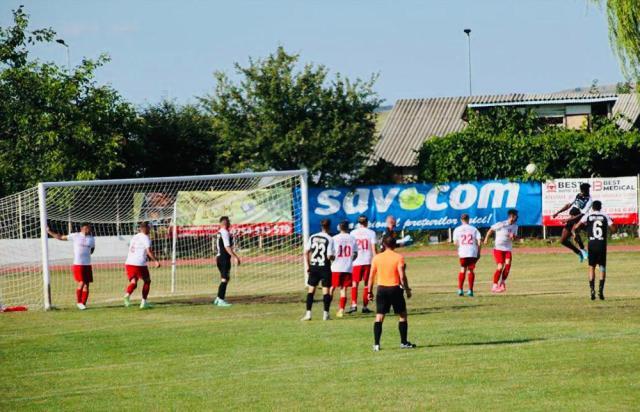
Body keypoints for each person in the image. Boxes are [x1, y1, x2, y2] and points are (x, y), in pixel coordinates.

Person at [367, 235, 415, 351]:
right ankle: (403, 342)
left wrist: (369, 291)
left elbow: (371, 277)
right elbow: (402, 276)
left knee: (379, 316)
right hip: (395, 288)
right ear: (395, 245)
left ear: (383, 244)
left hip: (381, 289)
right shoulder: (398, 257)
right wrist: (407, 289)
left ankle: (377, 344)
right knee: (402, 315)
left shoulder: (377, 258)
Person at [573, 201, 616, 300]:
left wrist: (576, 235)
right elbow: (614, 229)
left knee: (591, 267)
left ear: (592, 207)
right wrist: (610, 227)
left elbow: (576, 226)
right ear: (600, 207)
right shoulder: (605, 215)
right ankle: (601, 291)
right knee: (602, 267)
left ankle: (592, 290)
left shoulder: (588, 215)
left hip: (591, 244)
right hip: (601, 244)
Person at [47, 223, 95, 310]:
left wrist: (86, 254)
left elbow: (92, 249)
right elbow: (61, 237)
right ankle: (79, 302)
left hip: (87, 264)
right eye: (88, 228)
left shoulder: (91, 239)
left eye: (90, 228)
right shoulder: (75, 236)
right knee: (82, 282)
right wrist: (49, 231)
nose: (89, 229)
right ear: (83, 228)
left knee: (86, 285)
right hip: (78, 264)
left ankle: (83, 304)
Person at [301, 219, 335, 321]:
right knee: (326, 291)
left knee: (311, 291)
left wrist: (308, 266)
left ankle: (308, 314)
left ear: (321, 226)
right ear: (329, 226)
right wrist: (334, 257)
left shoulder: (313, 237)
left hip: (314, 266)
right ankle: (326, 314)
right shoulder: (329, 238)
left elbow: (306, 252)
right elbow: (329, 256)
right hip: (324, 267)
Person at [124, 222, 160, 309]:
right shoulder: (145, 238)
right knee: (147, 281)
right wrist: (156, 261)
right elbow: (148, 251)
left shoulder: (135, 236)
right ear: (145, 228)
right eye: (149, 228)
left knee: (134, 282)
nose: (150, 229)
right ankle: (144, 302)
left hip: (129, 262)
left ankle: (127, 295)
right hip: (139, 263)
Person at [553, 183, 592, 262]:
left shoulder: (589, 200)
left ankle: (583, 250)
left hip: (579, 219)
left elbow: (581, 214)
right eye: (583, 190)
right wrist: (558, 212)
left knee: (574, 231)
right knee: (563, 240)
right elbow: (568, 205)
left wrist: (567, 220)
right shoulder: (578, 195)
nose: (585, 191)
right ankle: (578, 252)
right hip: (571, 218)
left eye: (586, 190)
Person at [484, 209, 519, 293]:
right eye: (516, 216)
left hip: (507, 249)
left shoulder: (515, 226)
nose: (517, 217)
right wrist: (486, 239)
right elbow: (491, 230)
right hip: (498, 249)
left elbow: (515, 238)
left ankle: (502, 283)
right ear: (512, 216)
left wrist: (513, 237)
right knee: (500, 267)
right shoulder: (502, 224)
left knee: (508, 265)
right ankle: (494, 285)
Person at [349, 215, 377, 313]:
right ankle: (365, 306)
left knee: (354, 284)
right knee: (367, 284)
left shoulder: (353, 233)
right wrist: (376, 260)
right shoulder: (371, 233)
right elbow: (373, 249)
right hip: (367, 261)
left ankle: (354, 304)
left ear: (358, 222)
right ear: (367, 222)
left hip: (356, 261)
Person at [331, 220, 358, 318]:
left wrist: (333, 259)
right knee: (343, 289)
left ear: (339, 227)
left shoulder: (334, 238)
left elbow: (331, 254)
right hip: (347, 267)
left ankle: (327, 308)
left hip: (336, 267)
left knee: (332, 287)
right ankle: (341, 310)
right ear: (347, 228)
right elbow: (355, 254)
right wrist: (350, 261)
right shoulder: (352, 238)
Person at [452, 214, 482, 297]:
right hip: (472, 252)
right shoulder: (474, 229)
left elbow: (455, 242)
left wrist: (460, 247)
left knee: (462, 270)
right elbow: (479, 241)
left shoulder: (457, 229)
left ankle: (460, 289)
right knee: (470, 270)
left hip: (463, 252)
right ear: (468, 219)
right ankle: (470, 291)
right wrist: (479, 252)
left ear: (461, 220)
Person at [214, 216, 241, 307]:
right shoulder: (225, 232)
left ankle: (218, 298)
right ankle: (221, 300)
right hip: (224, 258)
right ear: (226, 223)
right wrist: (235, 257)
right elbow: (227, 247)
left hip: (219, 257)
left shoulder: (219, 232)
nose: (230, 224)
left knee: (226, 278)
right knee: (224, 279)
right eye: (229, 222)